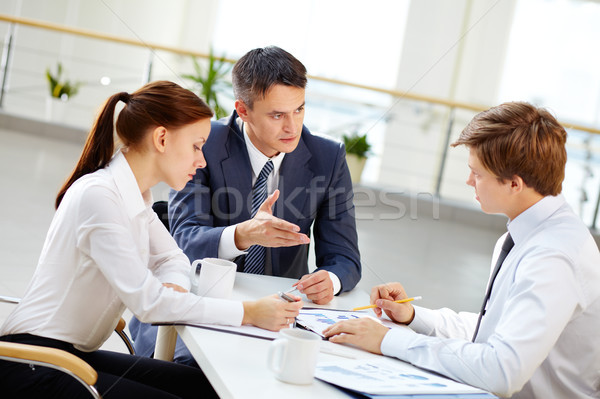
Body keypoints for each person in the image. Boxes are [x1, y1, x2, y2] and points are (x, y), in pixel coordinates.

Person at [0, 80, 302, 399]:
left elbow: (172, 260)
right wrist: (249, 312)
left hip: (70, 354)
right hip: (34, 365)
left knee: (205, 388)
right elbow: (149, 304)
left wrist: (175, 289)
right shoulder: (100, 197)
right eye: (197, 146)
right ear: (161, 138)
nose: (201, 161)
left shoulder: (135, 196)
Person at [323, 102, 600, 399]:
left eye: (477, 174)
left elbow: (500, 372)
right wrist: (413, 316)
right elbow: (493, 330)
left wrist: (389, 340)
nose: (469, 181)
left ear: (515, 184)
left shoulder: (553, 257)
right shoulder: (530, 234)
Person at [130, 46, 361, 364]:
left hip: (277, 314)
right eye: (277, 115)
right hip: (196, 302)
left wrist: (330, 280)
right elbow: (185, 241)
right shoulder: (202, 143)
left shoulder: (327, 157)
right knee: (200, 374)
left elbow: (345, 258)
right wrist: (243, 234)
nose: (292, 127)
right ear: (243, 110)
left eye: (299, 110)